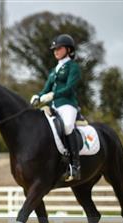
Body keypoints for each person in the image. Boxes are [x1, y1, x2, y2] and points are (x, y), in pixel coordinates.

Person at [30, 34, 82, 181]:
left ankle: (75, 166)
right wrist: (38, 96)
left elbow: (70, 88)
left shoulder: (73, 67)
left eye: (59, 48)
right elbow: (46, 88)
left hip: (67, 104)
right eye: (54, 49)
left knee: (67, 126)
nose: (56, 51)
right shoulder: (54, 70)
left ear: (68, 49)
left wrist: (52, 95)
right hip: (53, 106)